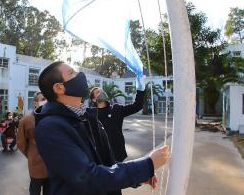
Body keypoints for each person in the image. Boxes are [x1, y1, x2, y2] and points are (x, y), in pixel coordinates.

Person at [34, 61, 170, 195]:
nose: (80, 75)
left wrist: (139, 175)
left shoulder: (87, 117)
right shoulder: (50, 128)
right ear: (59, 88)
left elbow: (104, 162)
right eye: (72, 73)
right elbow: (88, 177)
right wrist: (147, 165)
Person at [89, 75, 145, 162]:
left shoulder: (116, 109)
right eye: (97, 92)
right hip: (100, 157)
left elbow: (137, 106)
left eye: (102, 90)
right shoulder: (91, 114)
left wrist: (141, 90)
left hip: (118, 155)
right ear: (93, 99)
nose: (101, 92)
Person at [17, 92, 49, 195]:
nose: (46, 101)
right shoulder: (26, 120)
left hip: (52, 164)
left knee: (50, 189)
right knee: (35, 188)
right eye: (43, 99)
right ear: (35, 103)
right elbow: (21, 143)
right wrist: (31, 154)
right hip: (36, 164)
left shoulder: (53, 117)